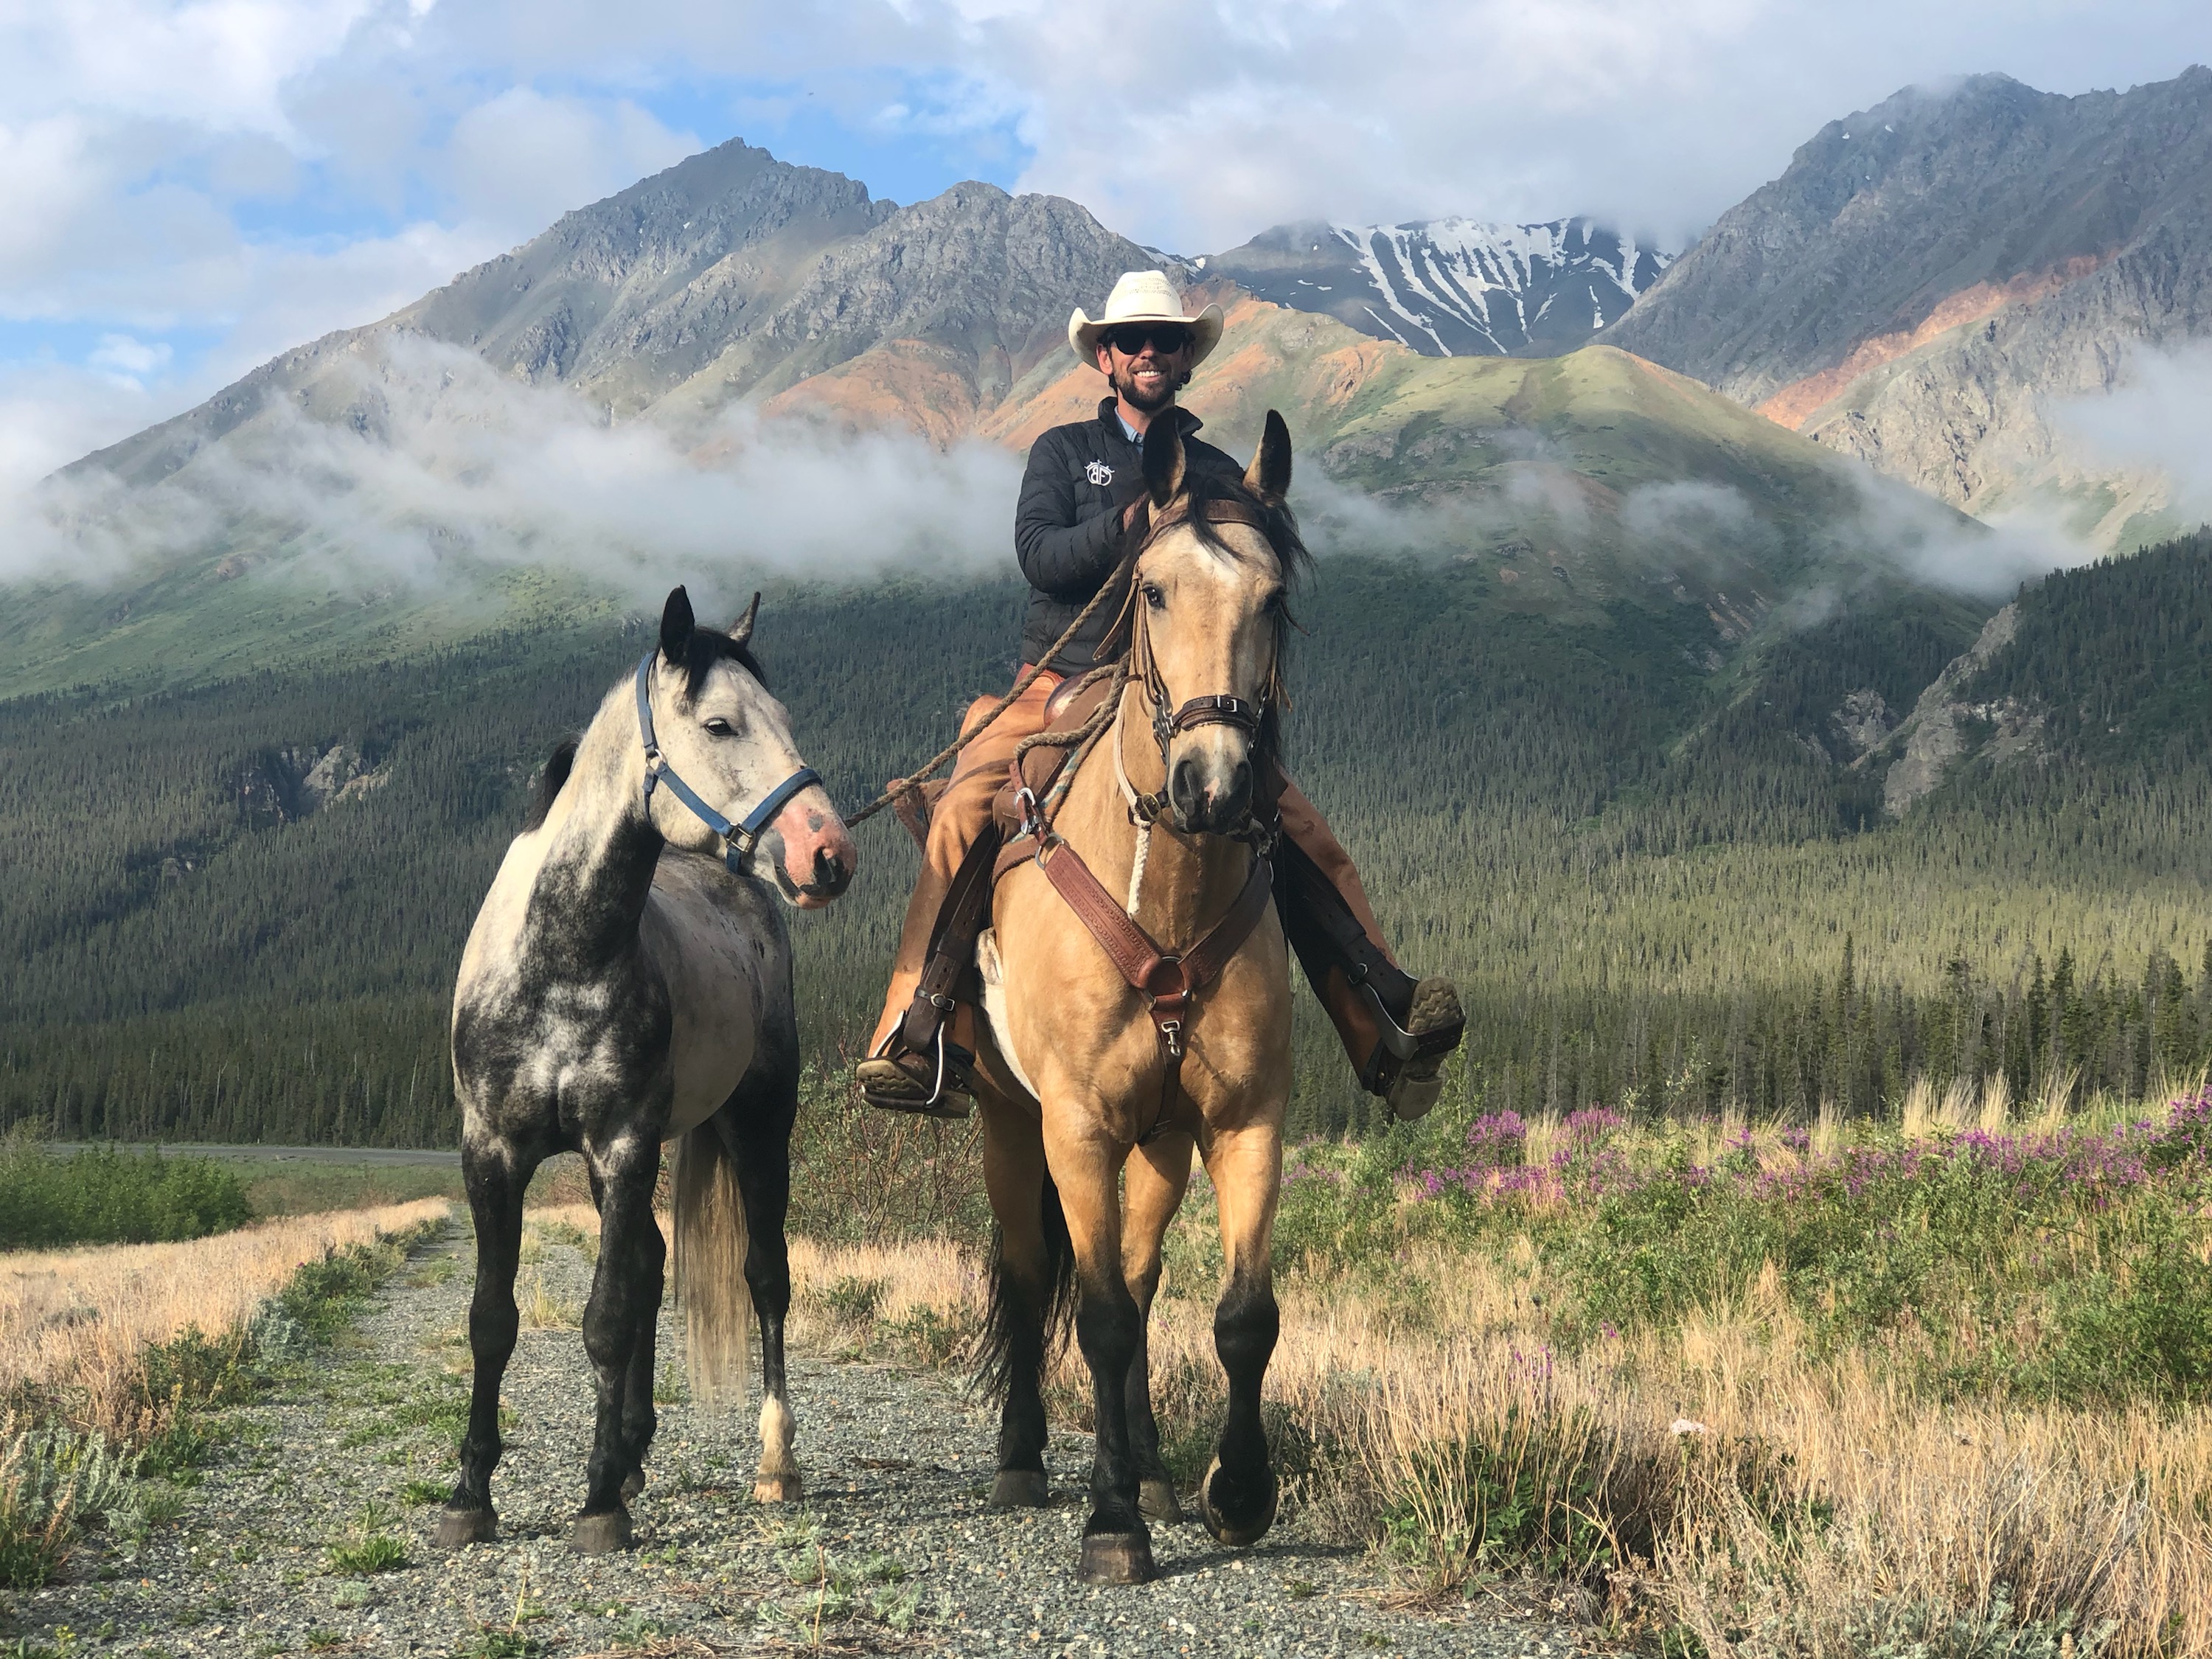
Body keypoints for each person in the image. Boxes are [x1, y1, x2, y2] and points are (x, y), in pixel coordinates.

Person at [855, 271, 1465, 1120]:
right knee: (963, 813)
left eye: (1166, 340)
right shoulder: (1063, 453)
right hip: (1057, 685)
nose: (1149, 352)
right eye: (1132, 340)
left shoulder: (1217, 472)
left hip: (1180, 696)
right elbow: (1038, 553)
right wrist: (1133, 522)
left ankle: (1383, 1021)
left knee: (1304, 833)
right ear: (1104, 357)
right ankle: (917, 1033)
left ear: (1184, 359)